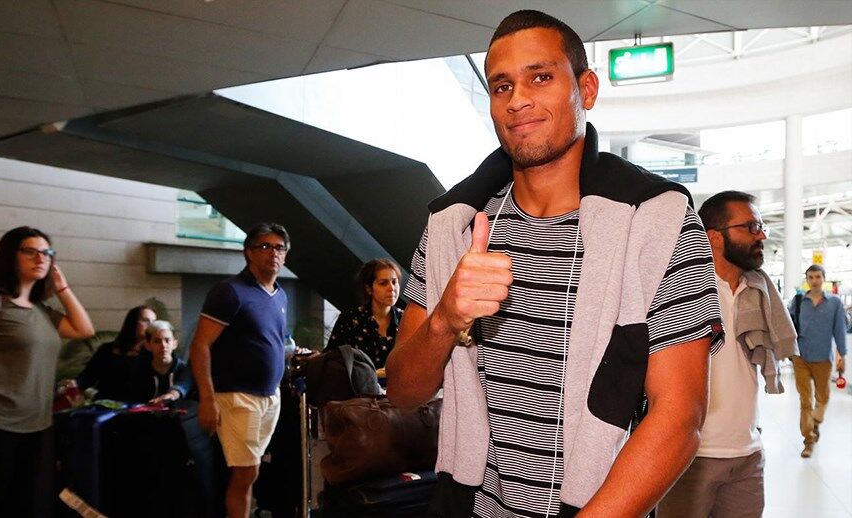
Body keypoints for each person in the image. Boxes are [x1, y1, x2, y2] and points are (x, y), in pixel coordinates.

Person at [386, 10, 723, 517]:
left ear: (586, 89)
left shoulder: (656, 220)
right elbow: (402, 392)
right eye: (501, 86)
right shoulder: (452, 226)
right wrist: (445, 320)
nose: (517, 99)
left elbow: (679, 417)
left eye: (540, 77)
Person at [659, 191, 798, 517]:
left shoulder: (758, 292)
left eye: (761, 226)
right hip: (690, 456)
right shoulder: (682, 291)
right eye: (750, 227)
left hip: (747, 455)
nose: (761, 235)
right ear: (714, 237)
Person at [0, 226, 94, 517]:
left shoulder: (41, 310)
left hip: (38, 426)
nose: (41, 258)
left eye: (47, 253)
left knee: (29, 507)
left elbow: (83, 329)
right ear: (10, 256)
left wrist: (62, 288)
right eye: (30, 251)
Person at [190, 222, 290, 518]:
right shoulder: (230, 292)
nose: (273, 253)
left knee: (251, 471)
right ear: (249, 252)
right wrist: (207, 399)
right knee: (245, 473)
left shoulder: (280, 295)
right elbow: (200, 345)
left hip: (270, 397)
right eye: (265, 246)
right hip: (236, 397)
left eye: (279, 248)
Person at [789, 264, 848, 457]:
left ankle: (815, 422)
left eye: (818, 277)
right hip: (801, 357)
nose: (814, 281)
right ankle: (808, 440)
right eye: (811, 277)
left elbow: (839, 330)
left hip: (823, 358)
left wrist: (842, 355)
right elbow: (788, 327)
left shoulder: (834, 303)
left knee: (822, 398)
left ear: (824, 278)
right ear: (807, 280)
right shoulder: (798, 301)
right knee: (805, 400)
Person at [326, 259, 403, 368]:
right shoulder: (349, 320)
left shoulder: (405, 319)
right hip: (359, 379)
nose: (391, 288)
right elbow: (332, 360)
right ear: (369, 289)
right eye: (383, 283)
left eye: (394, 282)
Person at [71, 305, 156, 401]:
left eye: (154, 322)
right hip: (105, 403)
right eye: (145, 320)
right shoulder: (107, 349)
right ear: (132, 323)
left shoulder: (155, 352)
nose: (151, 326)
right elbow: (87, 377)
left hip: (139, 405)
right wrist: (74, 384)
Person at [142, 320, 192, 404]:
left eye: (167, 340)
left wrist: (172, 395)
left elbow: (183, 385)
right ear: (148, 345)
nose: (163, 345)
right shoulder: (140, 369)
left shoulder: (184, 369)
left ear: (175, 344)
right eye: (157, 341)